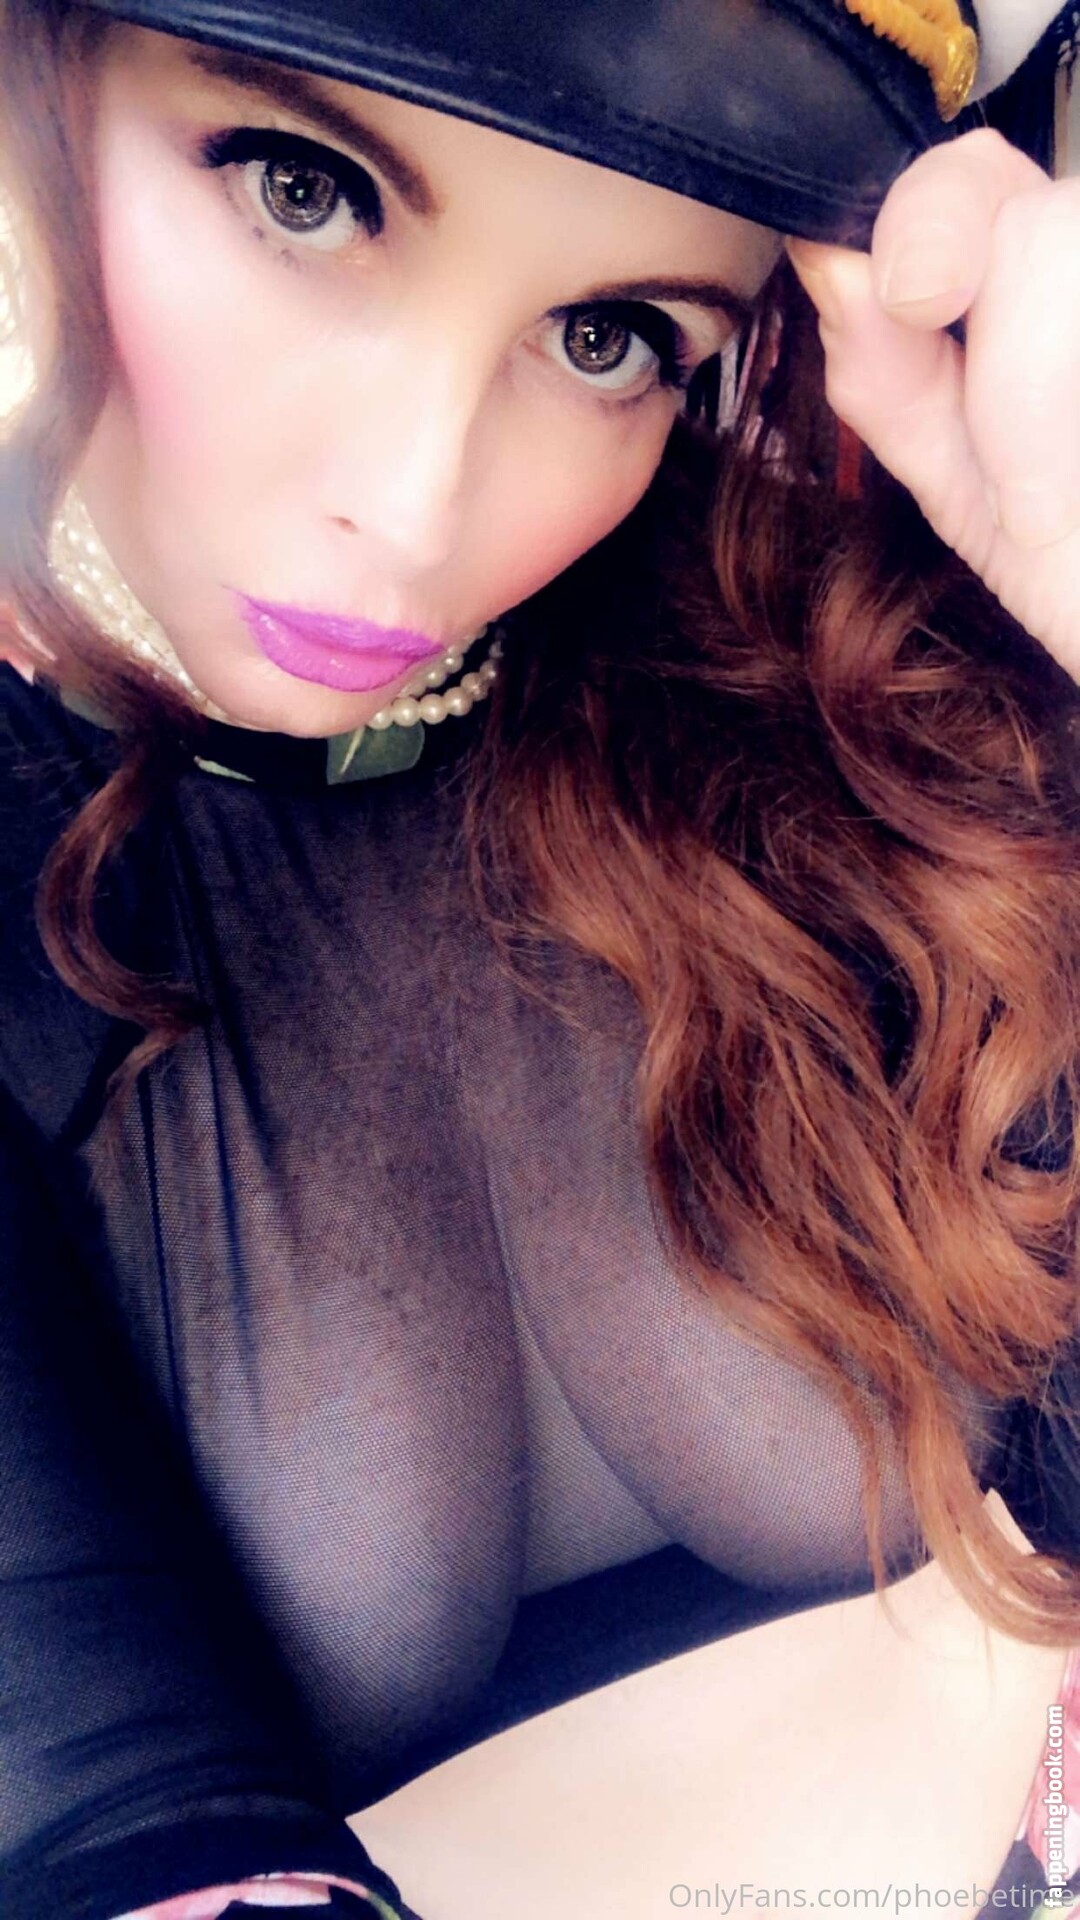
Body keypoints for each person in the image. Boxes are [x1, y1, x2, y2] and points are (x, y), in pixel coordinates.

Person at [1, 0, 1079, 1914]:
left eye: (610, 338)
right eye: (303, 189)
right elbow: (83, 1805)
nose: (418, 502)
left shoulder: (843, 685)